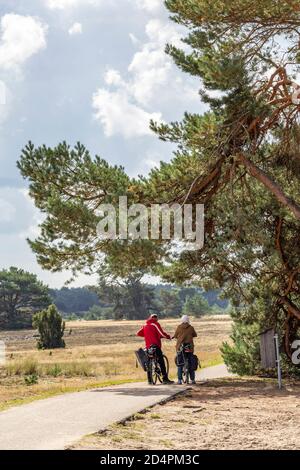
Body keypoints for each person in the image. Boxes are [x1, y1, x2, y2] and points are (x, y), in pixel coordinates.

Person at [137, 313, 174, 385]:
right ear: (155, 318)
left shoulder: (145, 325)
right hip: (155, 346)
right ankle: (165, 379)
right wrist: (168, 337)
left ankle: (150, 380)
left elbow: (138, 333)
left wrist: (147, 335)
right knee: (161, 361)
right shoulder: (155, 324)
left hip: (148, 347)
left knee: (148, 362)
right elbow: (161, 333)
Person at [173, 315, 197, 385]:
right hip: (189, 347)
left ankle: (179, 380)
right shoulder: (191, 327)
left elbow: (175, 335)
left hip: (180, 347)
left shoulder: (179, 327)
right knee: (191, 362)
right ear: (188, 320)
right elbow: (195, 335)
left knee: (180, 363)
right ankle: (193, 380)